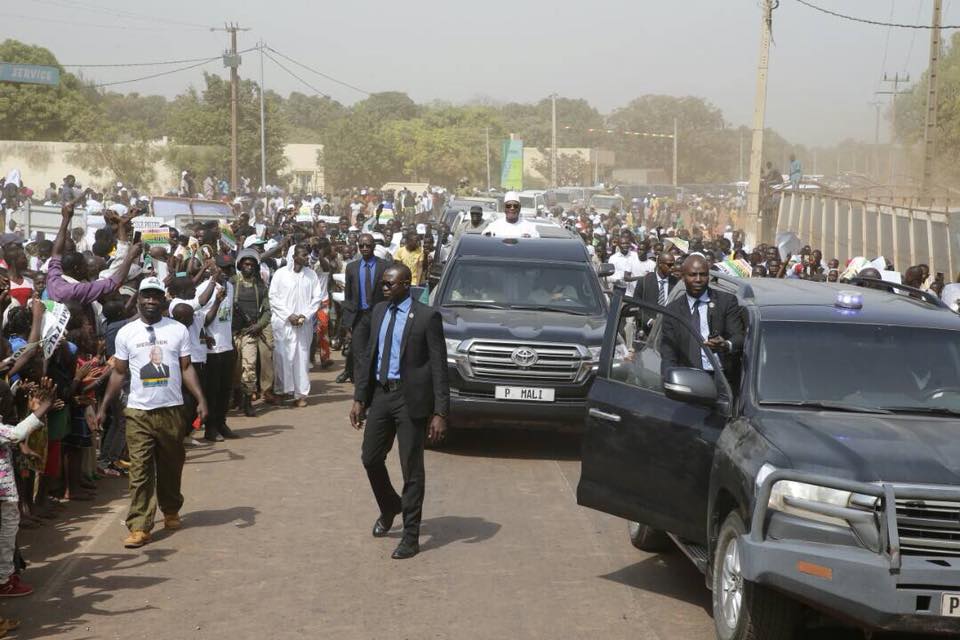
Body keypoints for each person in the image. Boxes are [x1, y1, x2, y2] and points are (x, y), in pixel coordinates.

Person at [94, 277, 208, 549]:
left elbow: (186, 367)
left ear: (163, 299)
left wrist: (201, 399)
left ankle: (170, 509)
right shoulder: (126, 333)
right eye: (146, 296)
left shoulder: (178, 330)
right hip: (138, 412)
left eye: (156, 296)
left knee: (171, 465)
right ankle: (139, 526)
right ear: (139, 299)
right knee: (141, 470)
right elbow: (119, 372)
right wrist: (104, 406)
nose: (150, 301)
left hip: (171, 410)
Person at [350, 264, 449, 560]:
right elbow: (369, 355)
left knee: (411, 469)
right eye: (383, 284)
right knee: (370, 458)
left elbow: (439, 367)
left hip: (411, 401)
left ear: (406, 284)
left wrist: (440, 412)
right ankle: (390, 505)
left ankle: (410, 536)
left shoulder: (427, 317)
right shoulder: (379, 311)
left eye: (389, 284)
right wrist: (359, 398)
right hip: (381, 395)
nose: (384, 288)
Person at [660, 255, 745, 379]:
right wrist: (669, 379)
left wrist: (725, 345)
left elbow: (739, 337)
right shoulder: (673, 310)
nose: (698, 279)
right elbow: (668, 352)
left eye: (703, 274)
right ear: (683, 277)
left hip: (722, 379)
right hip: (687, 379)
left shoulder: (726, 301)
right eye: (693, 275)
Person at [269, 244, 325, 407]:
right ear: (293, 256)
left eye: (307, 254)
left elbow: (317, 298)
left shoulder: (311, 275)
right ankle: (281, 391)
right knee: (282, 358)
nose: (307, 257)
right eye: (303, 254)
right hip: (283, 323)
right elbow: (273, 297)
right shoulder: (280, 274)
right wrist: (289, 315)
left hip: (303, 324)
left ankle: (300, 395)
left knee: (301, 358)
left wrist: (304, 315)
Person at [337, 233, 387, 385]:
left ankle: (376, 384)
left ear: (373, 246)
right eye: (361, 246)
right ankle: (361, 388)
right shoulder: (352, 268)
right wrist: (347, 325)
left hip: (379, 316)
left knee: (378, 351)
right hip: (359, 317)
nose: (365, 248)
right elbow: (349, 297)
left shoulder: (384, 266)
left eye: (368, 245)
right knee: (359, 353)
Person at [232, 250, 275, 416]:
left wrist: (259, 325)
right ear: (240, 265)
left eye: (251, 264)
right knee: (234, 370)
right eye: (246, 264)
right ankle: (236, 399)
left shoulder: (260, 286)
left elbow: (267, 310)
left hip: (250, 333)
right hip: (233, 332)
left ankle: (248, 402)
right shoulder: (232, 283)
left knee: (249, 368)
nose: (248, 267)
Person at [635, 252, 677, 336]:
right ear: (660, 264)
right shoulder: (644, 281)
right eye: (669, 265)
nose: (672, 268)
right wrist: (649, 321)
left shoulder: (676, 283)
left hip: (669, 330)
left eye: (673, 264)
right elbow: (635, 306)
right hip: (648, 331)